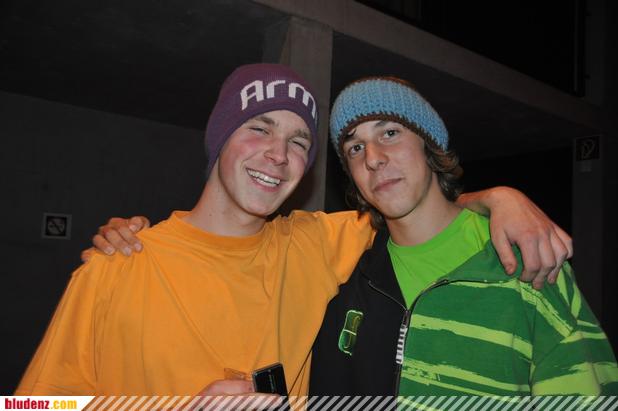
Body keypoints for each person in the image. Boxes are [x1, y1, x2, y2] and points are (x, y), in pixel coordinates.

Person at [17, 63, 570, 397]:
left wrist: (499, 198)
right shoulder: (119, 264)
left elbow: (407, 199)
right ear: (220, 140)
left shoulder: (315, 241)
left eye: (299, 142)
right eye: (259, 129)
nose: (278, 155)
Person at [309, 76, 618, 397]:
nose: (372, 158)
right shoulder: (347, 269)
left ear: (429, 143)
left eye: (390, 133)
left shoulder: (526, 259)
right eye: (355, 148)